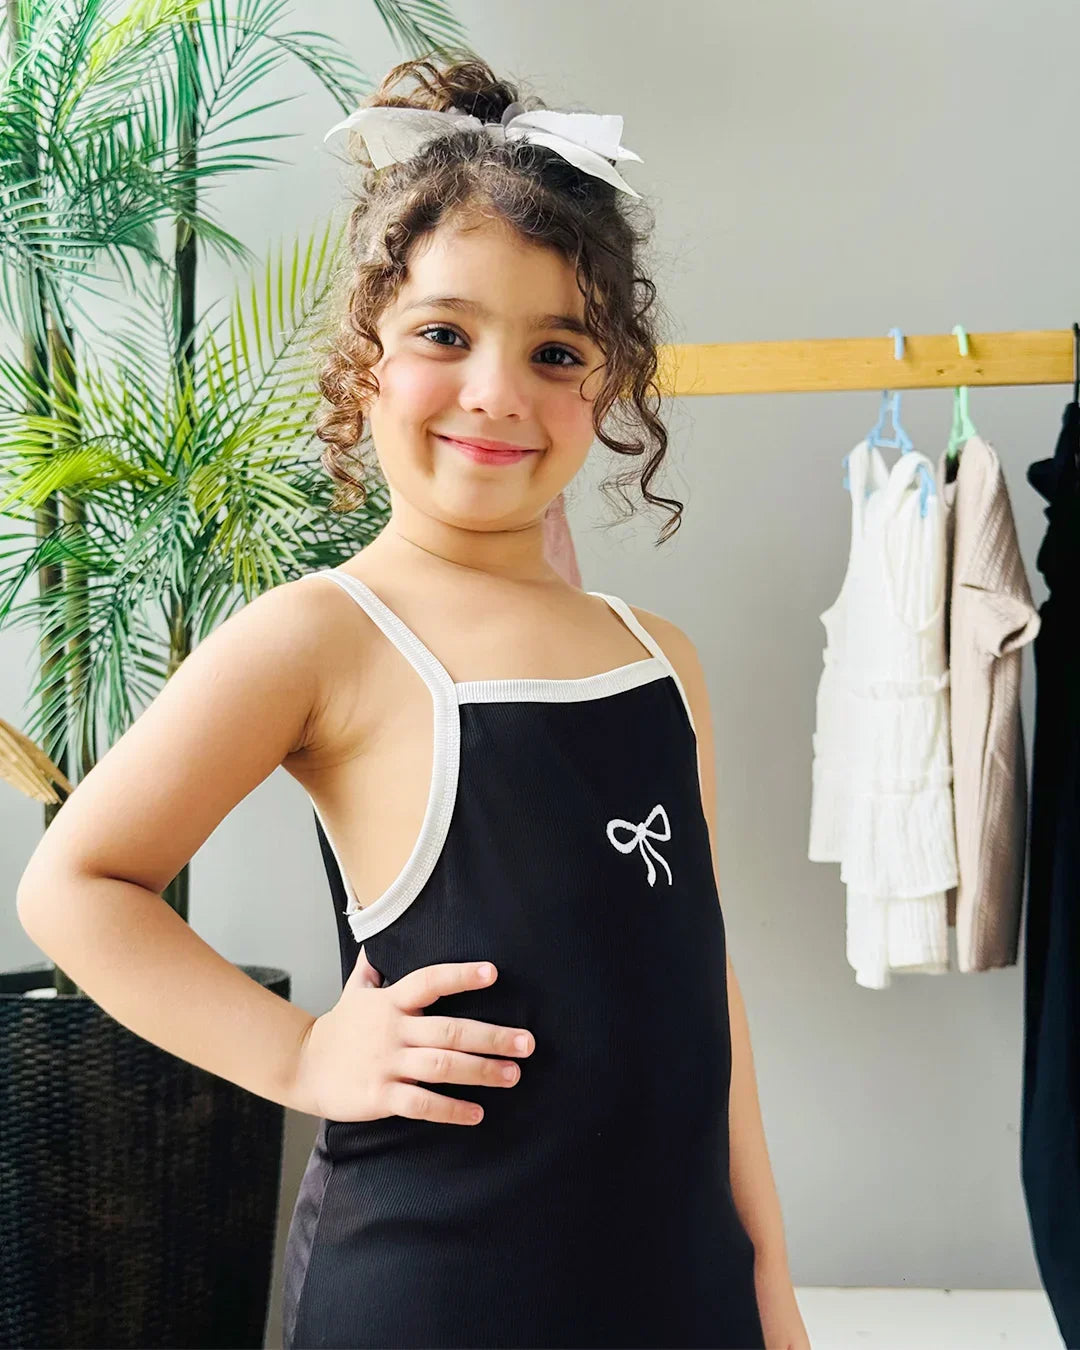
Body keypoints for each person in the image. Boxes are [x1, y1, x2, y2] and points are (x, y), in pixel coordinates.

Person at [16, 53, 807, 1350]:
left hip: (685, 1296)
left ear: (606, 383)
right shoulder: (323, 634)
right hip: (438, 1297)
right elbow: (76, 883)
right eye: (445, 333)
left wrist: (768, 1276)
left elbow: (702, 996)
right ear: (365, 362)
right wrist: (299, 1056)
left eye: (555, 348)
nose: (498, 391)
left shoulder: (660, 657)